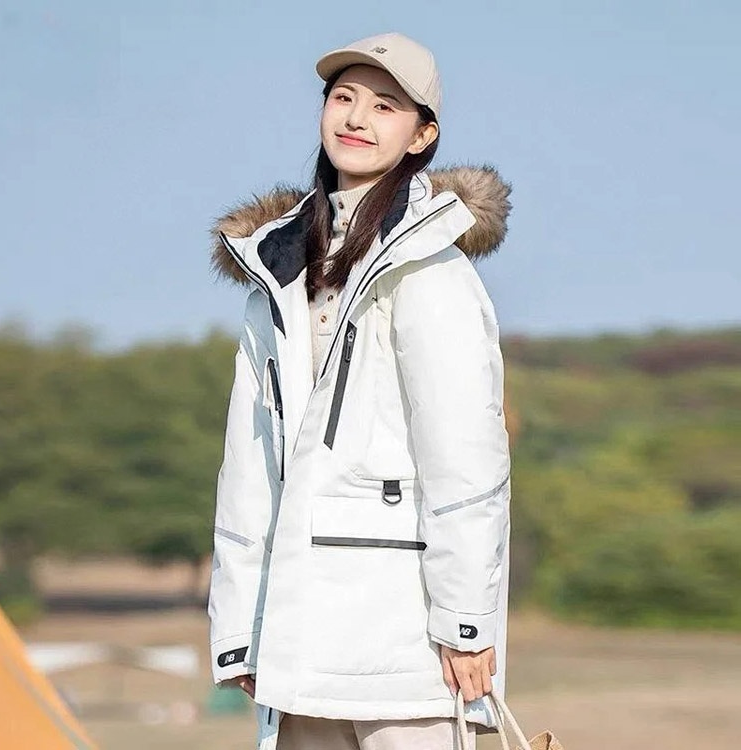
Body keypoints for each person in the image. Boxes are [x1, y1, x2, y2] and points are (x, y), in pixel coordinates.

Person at [208, 31, 513, 750]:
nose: (356, 118)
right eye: (343, 98)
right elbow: (249, 462)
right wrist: (240, 627)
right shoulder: (275, 267)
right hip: (297, 635)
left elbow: (466, 458)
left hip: (406, 637)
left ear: (422, 135)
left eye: (385, 106)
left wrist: (467, 624)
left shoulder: (429, 267)